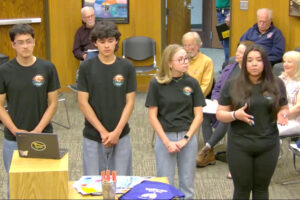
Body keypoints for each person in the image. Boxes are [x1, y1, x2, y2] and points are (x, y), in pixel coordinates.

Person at [216, 44, 289, 199]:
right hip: (240, 145)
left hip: (268, 145)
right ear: (244, 63)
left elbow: (284, 107)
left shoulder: (277, 83)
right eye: (250, 60)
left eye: (258, 60)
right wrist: (235, 115)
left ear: (265, 63)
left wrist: (283, 114)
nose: (254, 64)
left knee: (261, 189)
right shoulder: (232, 84)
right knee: (242, 190)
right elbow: (220, 114)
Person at [0, 24, 60, 196]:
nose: (25, 46)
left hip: (43, 135)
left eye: (28, 41)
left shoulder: (47, 68)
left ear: (34, 42)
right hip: (13, 139)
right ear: (13, 45)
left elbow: (53, 103)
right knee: (17, 185)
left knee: (44, 184)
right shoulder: (4, 71)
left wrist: (38, 130)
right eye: (20, 42)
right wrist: (16, 131)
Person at [145, 44, 206, 199]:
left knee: (187, 183)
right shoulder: (156, 84)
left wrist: (186, 139)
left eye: (186, 58)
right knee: (164, 183)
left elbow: (199, 115)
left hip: (188, 137)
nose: (185, 62)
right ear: (169, 63)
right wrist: (166, 142)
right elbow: (152, 116)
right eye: (180, 59)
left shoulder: (192, 83)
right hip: (165, 136)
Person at [77, 21, 136, 176]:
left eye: (110, 41)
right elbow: (83, 103)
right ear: (95, 43)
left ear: (116, 40)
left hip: (121, 134)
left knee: (122, 184)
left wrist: (116, 132)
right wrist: (103, 131)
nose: (107, 46)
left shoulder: (127, 67)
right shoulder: (86, 67)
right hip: (93, 135)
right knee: (94, 186)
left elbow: (130, 102)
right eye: (102, 42)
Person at [196, 41, 254, 169]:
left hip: (238, 107)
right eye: (237, 51)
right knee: (204, 114)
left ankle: (207, 148)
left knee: (226, 116)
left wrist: (226, 105)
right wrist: (216, 100)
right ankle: (209, 152)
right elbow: (217, 88)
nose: (238, 54)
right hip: (220, 103)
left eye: (241, 52)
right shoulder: (229, 67)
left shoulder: (251, 73)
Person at [70, 6, 97, 91]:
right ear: (83, 19)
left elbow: (114, 45)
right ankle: (82, 86)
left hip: (103, 54)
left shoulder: (103, 28)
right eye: (87, 17)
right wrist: (83, 56)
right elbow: (76, 50)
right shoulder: (80, 32)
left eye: (92, 16)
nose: (90, 18)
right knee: (86, 64)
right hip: (87, 57)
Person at [182, 32, 214, 98]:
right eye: (185, 45)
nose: (187, 49)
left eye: (190, 45)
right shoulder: (180, 60)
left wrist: (191, 98)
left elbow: (205, 87)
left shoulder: (207, 61)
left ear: (198, 45)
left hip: (196, 99)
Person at [277, 51, 300, 137]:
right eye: (285, 62)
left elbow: (298, 108)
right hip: (276, 116)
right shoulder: (279, 79)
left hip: (294, 119)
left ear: (297, 64)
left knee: (268, 132)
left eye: (289, 62)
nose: (285, 64)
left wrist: (281, 115)